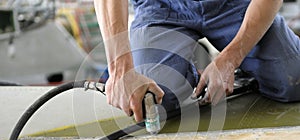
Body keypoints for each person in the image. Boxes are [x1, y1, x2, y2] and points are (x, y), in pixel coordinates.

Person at [94, 0, 300, 122]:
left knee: (294, 80)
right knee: (153, 100)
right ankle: (192, 78)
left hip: (233, 5)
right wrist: (121, 69)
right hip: (161, 7)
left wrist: (230, 60)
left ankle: (246, 69)